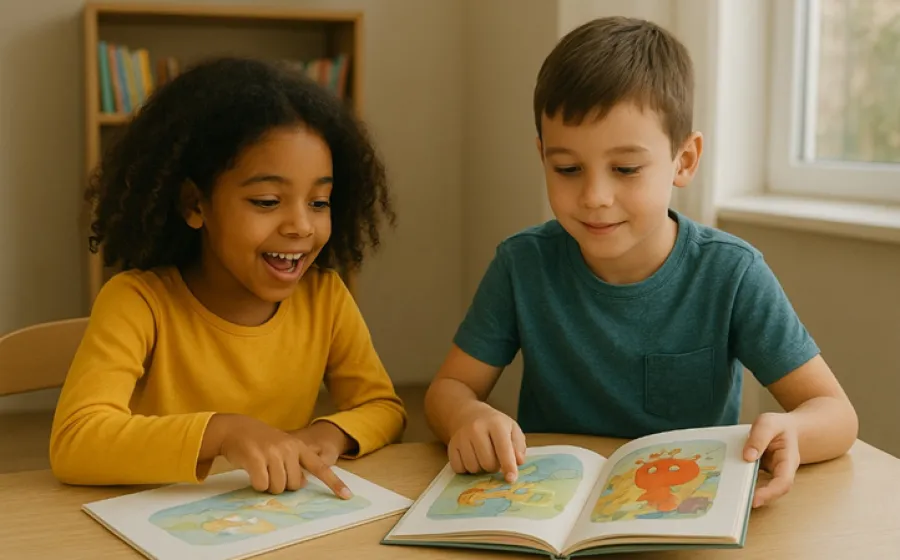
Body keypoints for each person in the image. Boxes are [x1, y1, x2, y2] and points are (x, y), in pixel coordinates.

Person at [424, 16, 858, 508]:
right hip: (549, 508)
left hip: (685, 510)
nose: (594, 197)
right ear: (542, 155)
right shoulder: (521, 264)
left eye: (625, 169)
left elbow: (838, 416)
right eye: (567, 169)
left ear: (684, 160)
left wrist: (793, 429)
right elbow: (449, 388)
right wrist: (467, 416)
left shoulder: (732, 274)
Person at [49, 56, 406, 497]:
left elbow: (382, 407)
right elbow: (75, 440)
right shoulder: (137, 301)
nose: (301, 226)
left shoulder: (325, 299)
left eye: (319, 202)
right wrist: (222, 432)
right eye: (266, 201)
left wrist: (326, 435)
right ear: (194, 205)